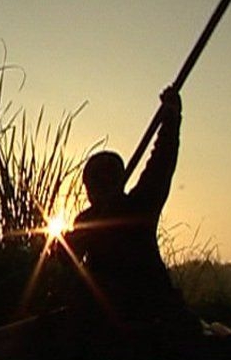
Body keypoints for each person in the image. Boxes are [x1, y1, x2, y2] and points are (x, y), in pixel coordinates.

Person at [65, 86, 200, 338]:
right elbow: (68, 264)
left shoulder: (139, 206)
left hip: (151, 317)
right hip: (111, 322)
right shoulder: (86, 222)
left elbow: (162, 160)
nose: (94, 189)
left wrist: (171, 118)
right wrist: (65, 250)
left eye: (99, 182)